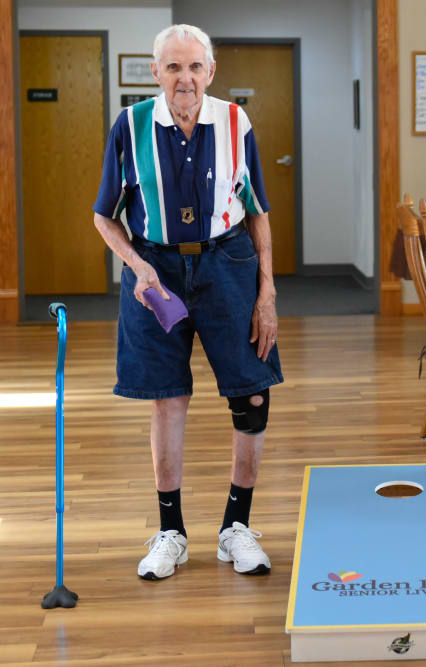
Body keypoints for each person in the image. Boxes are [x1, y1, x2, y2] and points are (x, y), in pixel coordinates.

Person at [92, 24, 282, 580]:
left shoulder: (235, 121)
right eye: (173, 67)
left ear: (211, 72)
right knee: (167, 399)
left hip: (228, 266)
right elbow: (105, 214)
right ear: (156, 73)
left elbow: (258, 210)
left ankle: (235, 529)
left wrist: (267, 290)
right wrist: (138, 266)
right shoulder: (129, 126)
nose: (185, 78)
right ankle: (170, 531)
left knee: (251, 397)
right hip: (156, 270)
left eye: (195, 67)